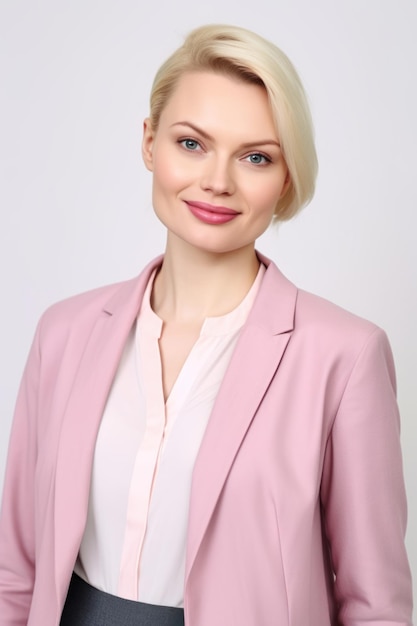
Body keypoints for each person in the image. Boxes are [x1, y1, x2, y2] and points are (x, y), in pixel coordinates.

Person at [0, 23, 413, 626]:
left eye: (255, 157)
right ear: (149, 143)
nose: (218, 180)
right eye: (192, 143)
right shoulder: (63, 334)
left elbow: (375, 607)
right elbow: (16, 572)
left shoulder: (344, 357)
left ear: (287, 177)